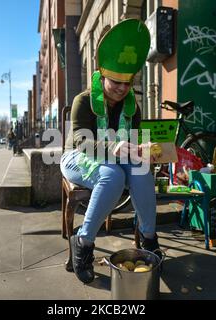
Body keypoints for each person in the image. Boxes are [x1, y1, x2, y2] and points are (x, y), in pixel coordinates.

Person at [60, 19, 161, 284]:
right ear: (102, 76)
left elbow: (136, 142)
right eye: (115, 82)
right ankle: (83, 242)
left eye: (127, 84)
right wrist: (113, 147)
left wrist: (145, 149)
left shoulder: (133, 107)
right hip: (77, 156)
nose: (122, 89)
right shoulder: (83, 100)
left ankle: (149, 239)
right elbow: (82, 142)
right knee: (112, 175)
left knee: (141, 169)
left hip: (117, 157)